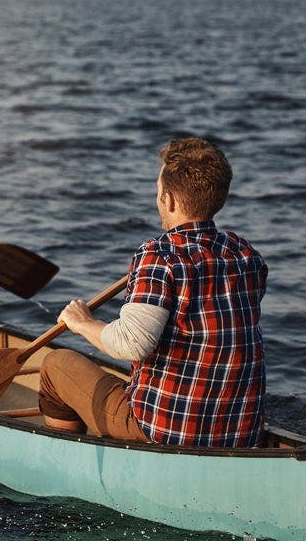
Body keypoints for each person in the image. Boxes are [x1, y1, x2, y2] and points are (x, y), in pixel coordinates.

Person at [39, 138, 268, 448]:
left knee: (56, 365)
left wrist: (81, 323)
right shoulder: (245, 255)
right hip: (240, 433)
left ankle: (64, 459)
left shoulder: (158, 255)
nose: (157, 198)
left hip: (164, 433)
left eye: (158, 191)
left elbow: (131, 343)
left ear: (169, 199)